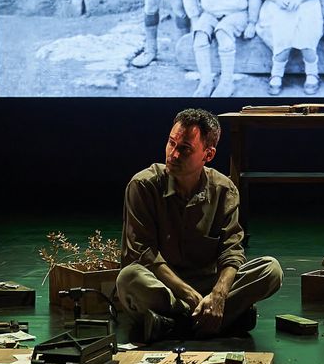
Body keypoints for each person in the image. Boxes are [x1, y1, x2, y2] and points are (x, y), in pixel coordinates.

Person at [116, 108, 283, 343]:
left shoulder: (224, 190)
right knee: (129, 278)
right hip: (164, 287)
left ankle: (173, 326)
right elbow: (143, 254)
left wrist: (218, 294)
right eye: (171, 143)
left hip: (207, 285)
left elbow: (232, 252)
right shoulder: (143, 186)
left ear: (208, 154)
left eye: (184, 149)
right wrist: (193, 298)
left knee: (271, 270)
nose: (173, 154)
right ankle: (216, 320)